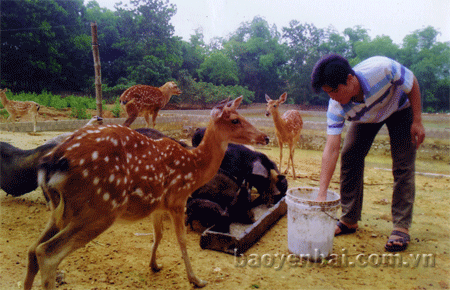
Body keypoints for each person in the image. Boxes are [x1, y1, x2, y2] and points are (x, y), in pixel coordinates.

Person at [310, 54, 425, 252]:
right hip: (365, 118)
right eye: (328, 93)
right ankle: (349, 219)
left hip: (399, 108)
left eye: (335, 90)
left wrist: (417, 119)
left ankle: (401, 226)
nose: (333, 97)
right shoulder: (336, 106)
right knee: (350, 155)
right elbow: (331, 148)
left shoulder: (383, 69)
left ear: (350, 79)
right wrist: (322, 194)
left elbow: (411, 81)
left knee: (403, 163)